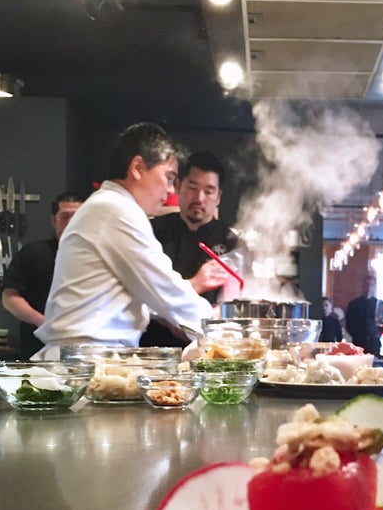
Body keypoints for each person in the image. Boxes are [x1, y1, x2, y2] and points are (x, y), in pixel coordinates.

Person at [34, 122, 214, 359]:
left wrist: (176, 320)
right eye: (169, 177)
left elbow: (144, 295)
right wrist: (219, 329)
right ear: (138, 167)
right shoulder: (115, 209)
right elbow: (165, 288)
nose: (171, 191)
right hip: (85, 362)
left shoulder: (108, 206)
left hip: (85, 358)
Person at [141, 150, 235, 346]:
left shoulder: (231, 241)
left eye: (209, 191)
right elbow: (143, 294)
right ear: (177, 187)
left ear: (218, 197)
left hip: (204, 347)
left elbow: (233, 303)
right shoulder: (151, 231)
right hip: (152, 346)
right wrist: (196, 283)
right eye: (192, 188)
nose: (199, 198)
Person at [1, 191, 85, 357]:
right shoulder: (33, 253)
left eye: (77, 216)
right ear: (54, 221)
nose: (70, 222)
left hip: (86, 349)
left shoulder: (97, 257)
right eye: (64, 216)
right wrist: (44, 323)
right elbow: (9, 297)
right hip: (36, 348)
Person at [345, 275, 383, 355]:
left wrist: (376, 335)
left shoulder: (380, 305)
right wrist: (357, 335)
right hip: (358, 342)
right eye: (367, 284)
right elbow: (348, 324)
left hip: (374, 343)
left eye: (371, 285)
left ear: (374, 287)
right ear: (363, 286)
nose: (369, 287)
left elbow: (382, 323)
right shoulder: (353, 304)